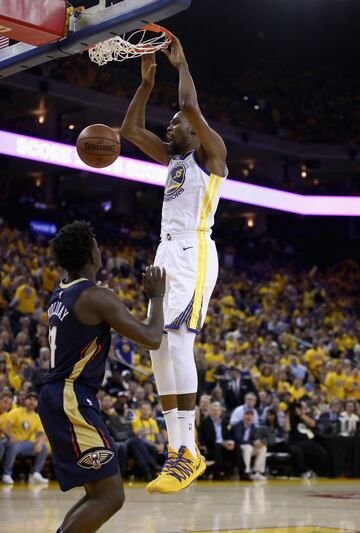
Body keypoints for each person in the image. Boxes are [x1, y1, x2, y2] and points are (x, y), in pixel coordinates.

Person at [121, 35, 227, 494]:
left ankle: (189, 451)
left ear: (193, 127)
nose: (170, 123)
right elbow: (128, 130)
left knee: (177, 340)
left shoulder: (211, 153)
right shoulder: (174, 158)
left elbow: (188, 104)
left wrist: (181, 66)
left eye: (176, 121)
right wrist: (145, 85)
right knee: (155, 346)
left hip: (193, 250)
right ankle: (178, 450)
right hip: (166, 251)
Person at [38, 221, 165, 533]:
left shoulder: (61, 291)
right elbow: (151, 337)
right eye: (95, 243)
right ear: (91, 255)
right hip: (71, 398)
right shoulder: (95, 296)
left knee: (99, 492)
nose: (99, 248)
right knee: (110, 496)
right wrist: (156, 297)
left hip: (62, 396)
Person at [2, 391, 49, 485]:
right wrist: (11, 436)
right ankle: (6, 474)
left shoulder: (37, 417)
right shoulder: (16, 412)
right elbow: (5, 428)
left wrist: (39, 443)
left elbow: (40, 433)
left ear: (37, 403)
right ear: (25, 401)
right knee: (14, 445)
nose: (32, 402)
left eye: (34, 400)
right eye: (29, 399)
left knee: (44, 447)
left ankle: (34, 473)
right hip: (11, 441)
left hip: (25, 444)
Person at [199, 402, 243, 480]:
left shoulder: (225, 422)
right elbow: (208, 438)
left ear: (220, 411)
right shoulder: (205, 422)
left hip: (224, 446)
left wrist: (230, 443)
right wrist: (222, 443)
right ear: (210, 411)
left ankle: (242, 472)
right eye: (214, 410)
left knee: (236, 447)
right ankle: (217, 473)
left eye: (218, 410)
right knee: (218, 446)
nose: (216, 412)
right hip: (211, 447)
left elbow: (229, 436)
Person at [232, 409, 267, 481]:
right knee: (248, 447)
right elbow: (239, 440)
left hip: (249, 448)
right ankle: (246, 471)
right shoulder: (237, 426)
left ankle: (257, 472)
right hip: (238, 448)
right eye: (247, 415)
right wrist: (253, 443)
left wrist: (259, 443)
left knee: (263, 448)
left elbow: (255, 439)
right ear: (243, 416)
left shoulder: (253, 427)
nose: (249, 417)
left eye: (251, 416)